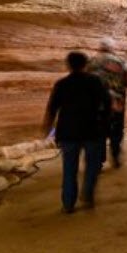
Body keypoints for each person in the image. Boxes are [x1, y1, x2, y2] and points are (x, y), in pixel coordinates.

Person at [43, 51, 110, 213]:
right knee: (92, 165)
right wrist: (106, 125)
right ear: (86, 64)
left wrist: (48, 128)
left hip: (68, 131)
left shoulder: (61, 84)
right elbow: (107, 104)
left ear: (68, 65)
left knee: (69, 168)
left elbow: (52, 108)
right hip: (91, 130)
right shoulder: (95, 82)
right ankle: (87, 194)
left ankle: (68, 204)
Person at [88, 37, 127, 168]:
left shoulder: (90, 62)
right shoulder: (121, 62)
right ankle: (115, 155)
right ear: (112, 48)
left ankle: (98, 160)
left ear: (99, 47)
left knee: (98, 132)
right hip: (117, 104)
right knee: (116, 131)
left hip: (95, 105)